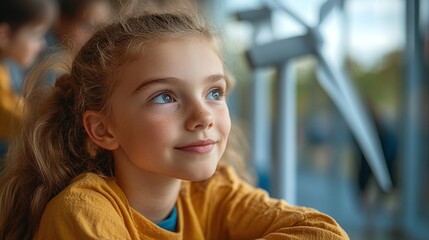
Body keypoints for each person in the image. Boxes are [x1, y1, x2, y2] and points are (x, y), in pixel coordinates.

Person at [0, 11, 349, 239]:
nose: (203, 116)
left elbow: (324, 233)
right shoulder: (81, 213)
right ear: (103, 129)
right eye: (164, 97)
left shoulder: (212, 191)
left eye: (214, 91)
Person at [0, 0, 57, 159]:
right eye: (35, 35)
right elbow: (26, 125)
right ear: (4, 35)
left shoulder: (6, 68)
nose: (42, 44)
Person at [49, 0, 113, 56]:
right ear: (61, 22)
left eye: (102, 27)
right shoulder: (48, 62)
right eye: (88, 26)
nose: (97, 35)